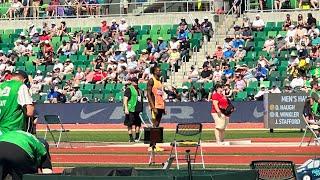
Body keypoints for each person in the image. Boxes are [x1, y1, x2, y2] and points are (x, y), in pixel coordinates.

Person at [123, 77, 143, 142]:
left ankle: (137, 137)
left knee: (138, 124)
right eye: (134, 81)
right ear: (131, 82)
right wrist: (126, 108)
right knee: (130, 124)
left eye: (136, 81)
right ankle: (131, 138)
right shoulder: (129, 89)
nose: (135, 82)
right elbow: (125, 99)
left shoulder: (139, 90)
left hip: (137, 109)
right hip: (130, 109)